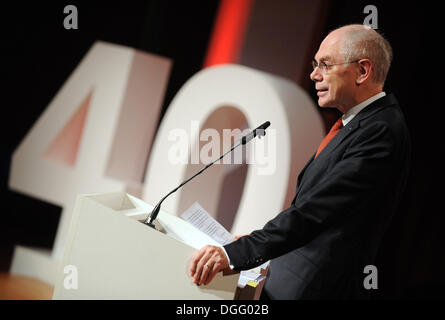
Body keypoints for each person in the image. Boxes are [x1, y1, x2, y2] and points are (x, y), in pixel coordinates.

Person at [188, 24, 411, 299]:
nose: (314, 75)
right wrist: (254, 246)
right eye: (315, 64)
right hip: (292, 278)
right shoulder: (357, 123)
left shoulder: (381, 131)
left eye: (325, 65)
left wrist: (237, 252)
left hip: (316, 287)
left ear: (363, 71)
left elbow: (314, 212)